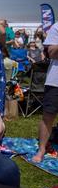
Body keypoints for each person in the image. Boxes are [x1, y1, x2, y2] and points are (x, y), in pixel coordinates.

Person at [33, 22, 58, 162]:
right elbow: (51, 52)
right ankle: (42, 149)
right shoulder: (56, 27)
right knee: (48, 116)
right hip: (55, 81)